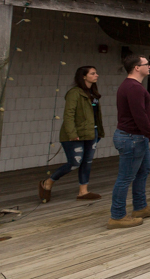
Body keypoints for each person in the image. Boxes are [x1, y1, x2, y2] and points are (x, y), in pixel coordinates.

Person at [108, 55, 150, 229]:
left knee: (144, 169)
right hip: (131, 138)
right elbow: (139, 115)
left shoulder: (132, 86)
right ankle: (117, 216)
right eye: (147, 64)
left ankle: (140, 207)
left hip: (136, 137)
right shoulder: (133, 88)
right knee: (125, 178)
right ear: (137, 68)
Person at [39, 66, 104, 203]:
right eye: (93, 73)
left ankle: (83, 191)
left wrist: (99, 132)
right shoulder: (74, 93)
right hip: (76, 134)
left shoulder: (92, 93)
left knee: (87, 162)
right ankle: (48, 182)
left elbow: (96, 115)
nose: (96, 75)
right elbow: (68, 115)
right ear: (84, 76)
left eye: (96, 73)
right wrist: (72, 133)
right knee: (75, 162)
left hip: (92, 132)